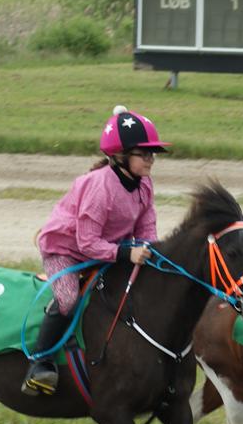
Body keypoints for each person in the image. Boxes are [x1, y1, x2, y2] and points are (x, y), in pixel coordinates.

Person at [22, 105, 171, 396]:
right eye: (145, 154)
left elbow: (147, 229)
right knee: (68, 301)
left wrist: (151, 251)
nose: (151, 160)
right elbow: (87, 243)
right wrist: (127, 254)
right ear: (120, 156)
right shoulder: (99, 187)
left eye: (153, 154)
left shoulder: (144, 184)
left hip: (109, 248)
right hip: (66, 250)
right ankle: (39, 363)